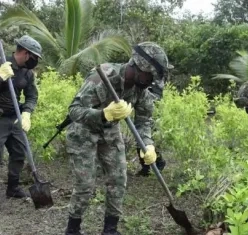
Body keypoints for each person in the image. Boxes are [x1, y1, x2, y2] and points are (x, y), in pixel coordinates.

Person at [64, 42, 173, 235]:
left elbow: (143, 122)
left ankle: (110, 229)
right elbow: (74, 111)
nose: (150, 83)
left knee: (118, 179)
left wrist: (147, 145)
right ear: (139, 66)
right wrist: (102, 114)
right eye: (151, 77)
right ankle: (72, 229)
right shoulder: (103, 76)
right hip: (83, 131)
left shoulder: (142, 92)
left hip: (110, 132)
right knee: (85, 185)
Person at [0, 35, 42, 198]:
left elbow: (32, 95)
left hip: (15, 116)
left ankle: (13, 188)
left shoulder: (27, 73)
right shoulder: (2, 64)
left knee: (18, 152)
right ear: (25, 53)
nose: (35, 61)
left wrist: (26, 113)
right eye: (34, 57)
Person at [134, 79, 168, 177]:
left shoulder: (157, 76)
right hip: (142, 105)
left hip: (151, 107)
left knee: (149, 138)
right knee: (139, 135)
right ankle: (145, 167)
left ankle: (159, 162)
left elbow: (156, 94)